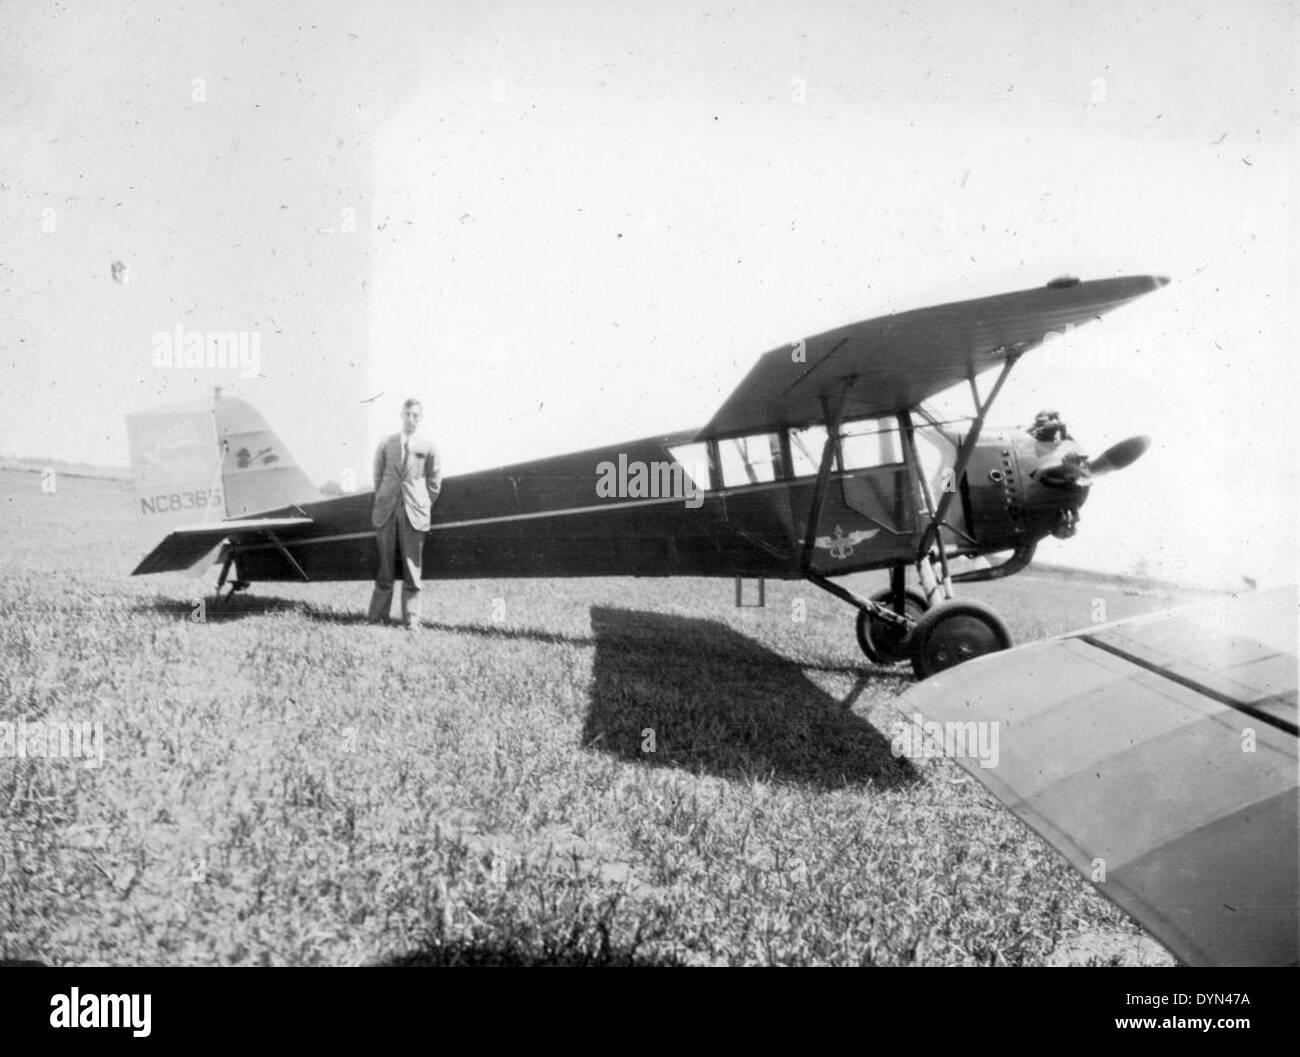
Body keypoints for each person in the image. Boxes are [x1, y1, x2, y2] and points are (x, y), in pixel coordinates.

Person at [367, 398, 442, 627]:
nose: (411, 419)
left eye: (415, 416)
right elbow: (378, 475)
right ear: (401, 415)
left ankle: (412, 621)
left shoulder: (429, 447)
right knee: (385, 568)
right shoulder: (386, 443)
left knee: (412, 568)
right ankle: (377, 617)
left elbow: (434, 482)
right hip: (387, 511)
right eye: (407, 414)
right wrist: (384, 496)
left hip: (414, 513)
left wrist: (421, 502)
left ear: (420, 419)